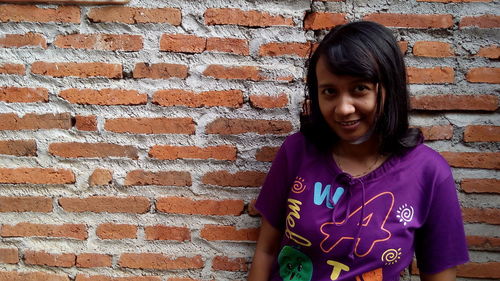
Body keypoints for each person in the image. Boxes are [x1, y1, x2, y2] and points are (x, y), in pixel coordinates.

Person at [248, 21, 469, 281]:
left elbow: (439, 274)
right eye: (329, 91)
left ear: (390, 88)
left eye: (359, 88)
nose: (343, 108)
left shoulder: (429, 173)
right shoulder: (297, 152)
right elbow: (266, 250)